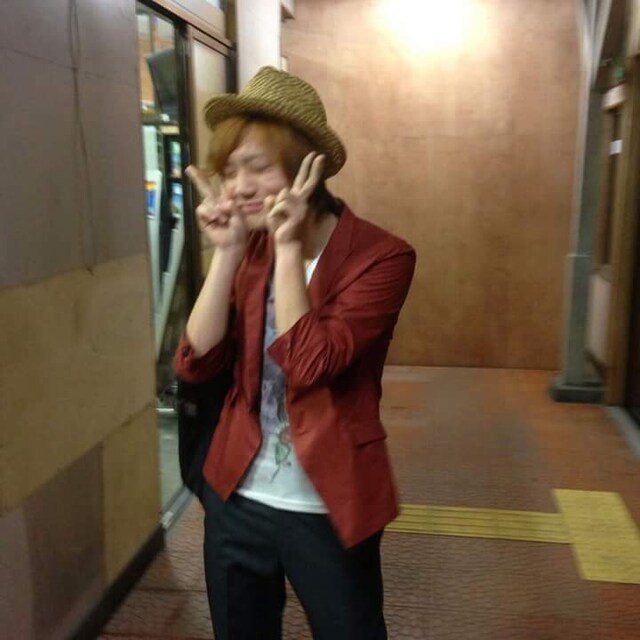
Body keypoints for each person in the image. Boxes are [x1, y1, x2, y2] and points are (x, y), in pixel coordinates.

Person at [174, 66, 416, 640]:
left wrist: (287, 252)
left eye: (257, 166)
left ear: (309, 165)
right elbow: (196, 360)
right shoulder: (248, 244)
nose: (240, 186)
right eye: (230, 170)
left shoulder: (380, 257)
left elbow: (310, 364)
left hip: (328, 501)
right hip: (236, 494)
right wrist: (227, 253)